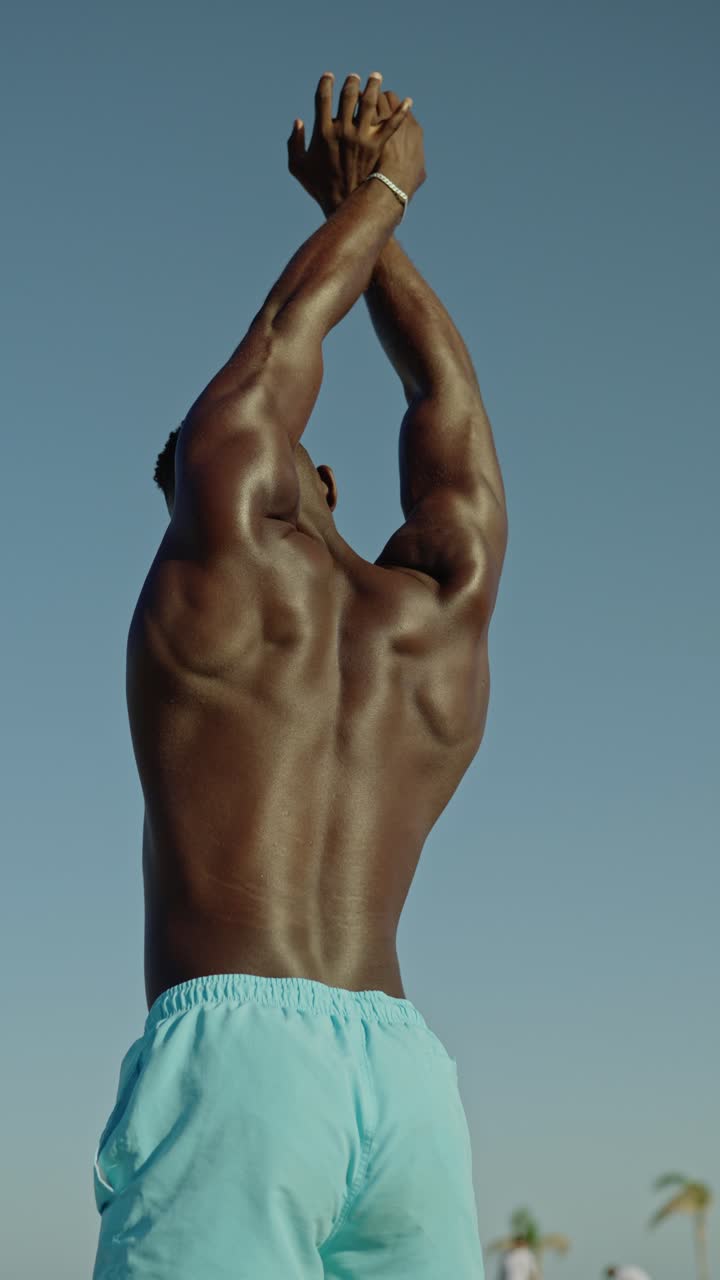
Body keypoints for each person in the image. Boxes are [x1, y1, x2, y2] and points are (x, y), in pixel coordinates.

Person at [92, 70, 508, 1279]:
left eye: (178, 465)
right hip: (408, 1081)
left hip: (239, 1060)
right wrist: (372, 226)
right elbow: (445, 402)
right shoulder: (436, 617)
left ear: (277, 473)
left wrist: (382, 191)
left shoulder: (217, 578)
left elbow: (283, 340)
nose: (175, 481)